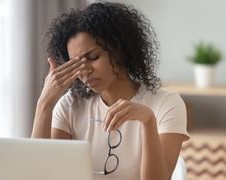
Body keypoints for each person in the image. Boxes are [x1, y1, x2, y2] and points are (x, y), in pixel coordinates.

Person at [31, 2, 189, 180]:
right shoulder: (70, 105)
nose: (84, 70)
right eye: (75, 63)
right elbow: (40, 174)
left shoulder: (166, 104)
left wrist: (148, 121)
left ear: (120, 50)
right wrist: (44, 104)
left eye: (93, 57)